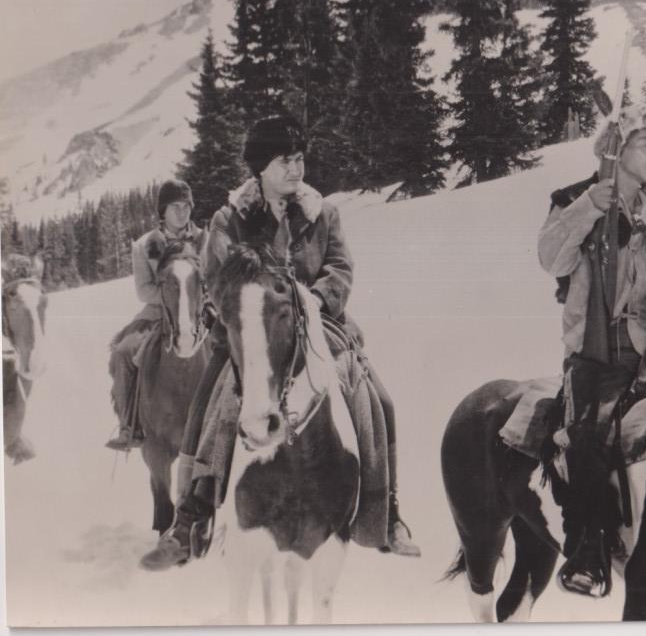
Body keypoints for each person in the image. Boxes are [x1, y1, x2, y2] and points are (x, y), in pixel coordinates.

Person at [140, 114, 420, 570]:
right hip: (251, 331)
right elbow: (217, 279)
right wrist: (247, 311)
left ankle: (383, 512)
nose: (296, 168)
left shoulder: (322, 212)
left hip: (319, 322)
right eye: (284, 160)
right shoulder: (230, 219)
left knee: (377, 399)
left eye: (299, 158)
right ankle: (190, 517)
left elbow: (340, 269)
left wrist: (312, 300)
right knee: (211, 403)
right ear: (260, 167)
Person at [537, 106, 646, 597]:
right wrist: (589, 206)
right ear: (617, 148)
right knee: (589, 439)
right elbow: (551, 259)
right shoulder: (574, 200)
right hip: (597, 359)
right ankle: (589, 551)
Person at [106, 180, 204, 451]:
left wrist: (194, 301)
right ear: (163, 211)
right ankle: (129, 426)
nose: (182, 213)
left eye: (186, 206)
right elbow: (144, 290)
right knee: (123, 352)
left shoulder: (203, 240)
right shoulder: (146, 245)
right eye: (175, 207)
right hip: (156, 314)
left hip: (198, 311)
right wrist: (174, 299)